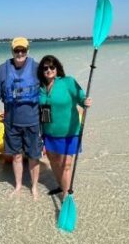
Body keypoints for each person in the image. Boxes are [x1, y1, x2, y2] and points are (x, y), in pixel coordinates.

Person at [0, 37, 42, 199]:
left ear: (28, 50)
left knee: (34, 157)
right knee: (16, 156)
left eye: (23, 50)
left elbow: (49, 90)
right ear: (12, 51)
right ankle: (18, 186)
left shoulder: (37, 67)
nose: (20, 53)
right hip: (12, 123)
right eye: (16, 50)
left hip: (33, 121)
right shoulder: (3, 69)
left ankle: (34, 187)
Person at [37, 54, 92, 201]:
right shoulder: (40, 87)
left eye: (52, 67)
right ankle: (62, 186)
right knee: (54, 161)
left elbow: (81, 97)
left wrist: (85, 101)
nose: (49, 70)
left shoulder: (68, 82)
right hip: (49, 132)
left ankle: (67, 197)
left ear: (57, 68)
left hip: (69, 132)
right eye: (45, 68)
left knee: (66, 164)